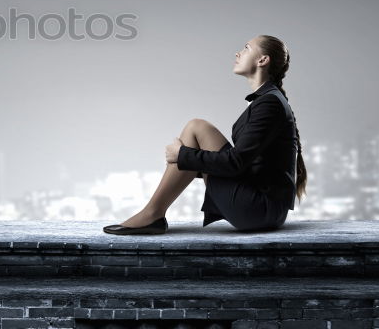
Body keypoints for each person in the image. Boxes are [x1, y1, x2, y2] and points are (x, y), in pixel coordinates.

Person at [103, 34, 307, 235]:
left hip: (259, 210)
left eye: (246, 48)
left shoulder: (269, 103)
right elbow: (242, 163)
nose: (238, 53)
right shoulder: (267, 100)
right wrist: (187, 160)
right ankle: (153, 214)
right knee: (195, 130)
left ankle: (152, 213)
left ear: (263, 60)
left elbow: (235, 163)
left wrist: (182, 155)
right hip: (264, 208)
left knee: (196, 127)